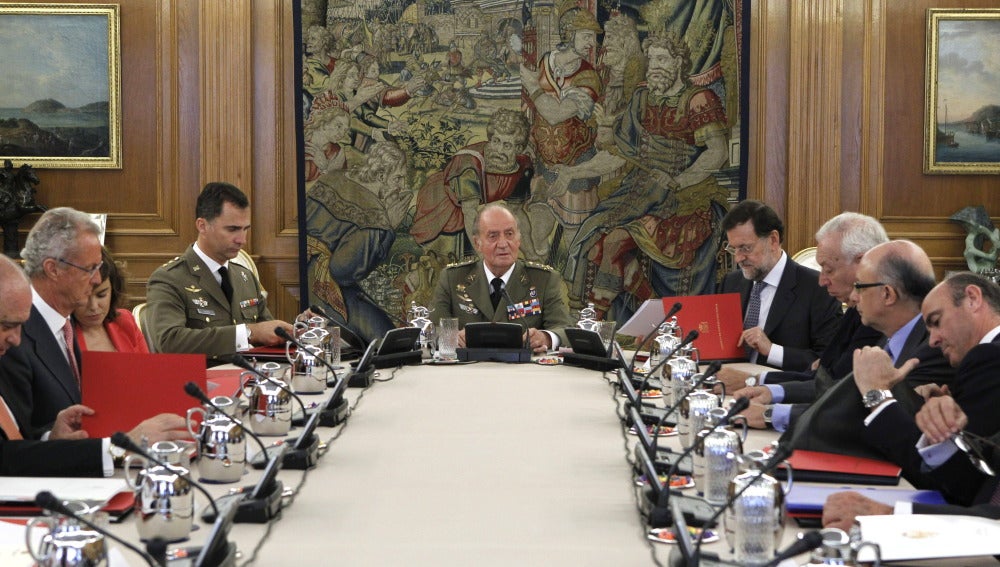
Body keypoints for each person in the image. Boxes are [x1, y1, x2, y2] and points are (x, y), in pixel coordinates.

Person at [553, 33, 730, 318]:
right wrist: (574, 171)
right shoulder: (642, 98)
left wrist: (680, 179)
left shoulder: (698, 99)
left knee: (614, 241)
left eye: (662, 59)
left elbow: (717, 152)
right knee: (592, 238)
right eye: (651, 60)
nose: (654, 66)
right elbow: (617, 154)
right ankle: (651, 311)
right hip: (639, 193)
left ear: (679, 62)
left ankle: (594, 320)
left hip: (682, 197)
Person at [824, 274, 1000, 522]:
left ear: (972, 298)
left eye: (937, 322)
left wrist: (876, 395)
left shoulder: (990, 355)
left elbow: (961, 482)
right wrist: (937, 422)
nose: (933, 340)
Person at [0, 254, 186, 476]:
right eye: (7, 325)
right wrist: (117, 448)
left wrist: (52, 438)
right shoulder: (16, 356)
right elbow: (7, 459)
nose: (16, 339)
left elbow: (17, 447)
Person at [773, 240, 953, 459]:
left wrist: (770, 413)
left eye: (860, 286)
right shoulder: (887, 340)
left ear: (887, 294)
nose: (854, 296)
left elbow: (870, 419)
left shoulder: (930, 351)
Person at [717, 212, 887, 427]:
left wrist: (769, 411)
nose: (822, 280)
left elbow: (841, 396)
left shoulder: (873, 315)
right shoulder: (858, 309)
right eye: (735, 249)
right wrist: (763, 387)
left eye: (829, 269)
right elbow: (824, 376)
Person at [145, 182, 296, 364]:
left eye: (245, 229)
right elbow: (169, 341)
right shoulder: (170, 278)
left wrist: (294, 330)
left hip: (251, 381)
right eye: (232, 229)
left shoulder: (245, 277)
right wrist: (248, 333)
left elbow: (267, 335)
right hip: (202, 386)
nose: (242, 240)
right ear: (202, 226)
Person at [0, 208, 102, 434]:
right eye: (90, 269)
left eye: (99, 267)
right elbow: (17, 441)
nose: (97, 279)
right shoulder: (12, 337)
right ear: (53, 269)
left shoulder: (65, 322)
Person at [305, 141, 412, 343]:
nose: (402, 186)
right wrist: (389, 228)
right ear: (381, 176)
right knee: (384, 336)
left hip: (302, 275)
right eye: (398, 178)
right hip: (323, 287)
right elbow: (343, 272)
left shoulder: (333, 177)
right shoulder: (374, 217)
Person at [430, 204, 573, 353]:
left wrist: (546, 337)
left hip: (524, 371)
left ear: (519, 239)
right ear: (477, 243)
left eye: (509, 234)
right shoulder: (453, 278)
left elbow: (565, 330)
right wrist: (452, 337)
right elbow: (432, 329)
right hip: (468, 371)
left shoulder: (543, 280)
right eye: (493, 236)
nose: (503, 244)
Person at [718, 200, 843, 371]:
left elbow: (827, 360)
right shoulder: (731, 282)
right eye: (734, 249)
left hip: (780, 391)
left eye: (745, 248)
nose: (738, 258)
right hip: (730, 384)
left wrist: (772, 351)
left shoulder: (817, 288)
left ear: (773, 240)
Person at [411, 108, 534, 258]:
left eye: (507, 145)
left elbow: (516, 212)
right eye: (495, 141)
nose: (498, 150)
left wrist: (531, 254)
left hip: (470, 211)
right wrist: (484, 258)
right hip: (444, 204)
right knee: (448, 259)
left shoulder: (523, 168)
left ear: (519, 149)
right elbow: (469, 213)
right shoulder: (469, 165)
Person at [72, 247, 148, 353]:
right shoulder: (62, 337)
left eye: (101, 295)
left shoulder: (126, 322)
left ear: (113, 289)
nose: (93, 306)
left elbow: (146, 368)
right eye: (83, 297)